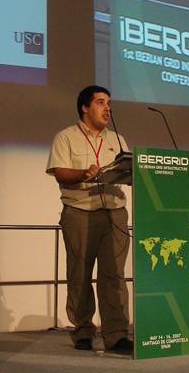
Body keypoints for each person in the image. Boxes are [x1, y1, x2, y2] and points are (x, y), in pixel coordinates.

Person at [46, 86, 133, 353]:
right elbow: (59, 172)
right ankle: (83, 330)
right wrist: (84, 173)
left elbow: (127, 170)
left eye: (109, 104)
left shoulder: (117, 139)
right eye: (101, 102)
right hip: (80, 211)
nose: (108, 109)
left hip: (114, 212)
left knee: (114, 275)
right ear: (85, 107)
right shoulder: (66, 137)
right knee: (80, 274)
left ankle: (116, 334)